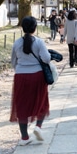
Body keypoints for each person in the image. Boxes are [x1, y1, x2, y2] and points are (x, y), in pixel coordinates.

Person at [10, 16, 51, 145]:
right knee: (42, 102)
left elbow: (13, 61)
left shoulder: (17, 43)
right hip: (37, 75)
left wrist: (21, 69)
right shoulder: (39, 42)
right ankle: (38, 126)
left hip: (21, 76)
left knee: (21, 105)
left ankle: (24, 137)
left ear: (22, 28)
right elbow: (46, 59)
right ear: (35, 27)